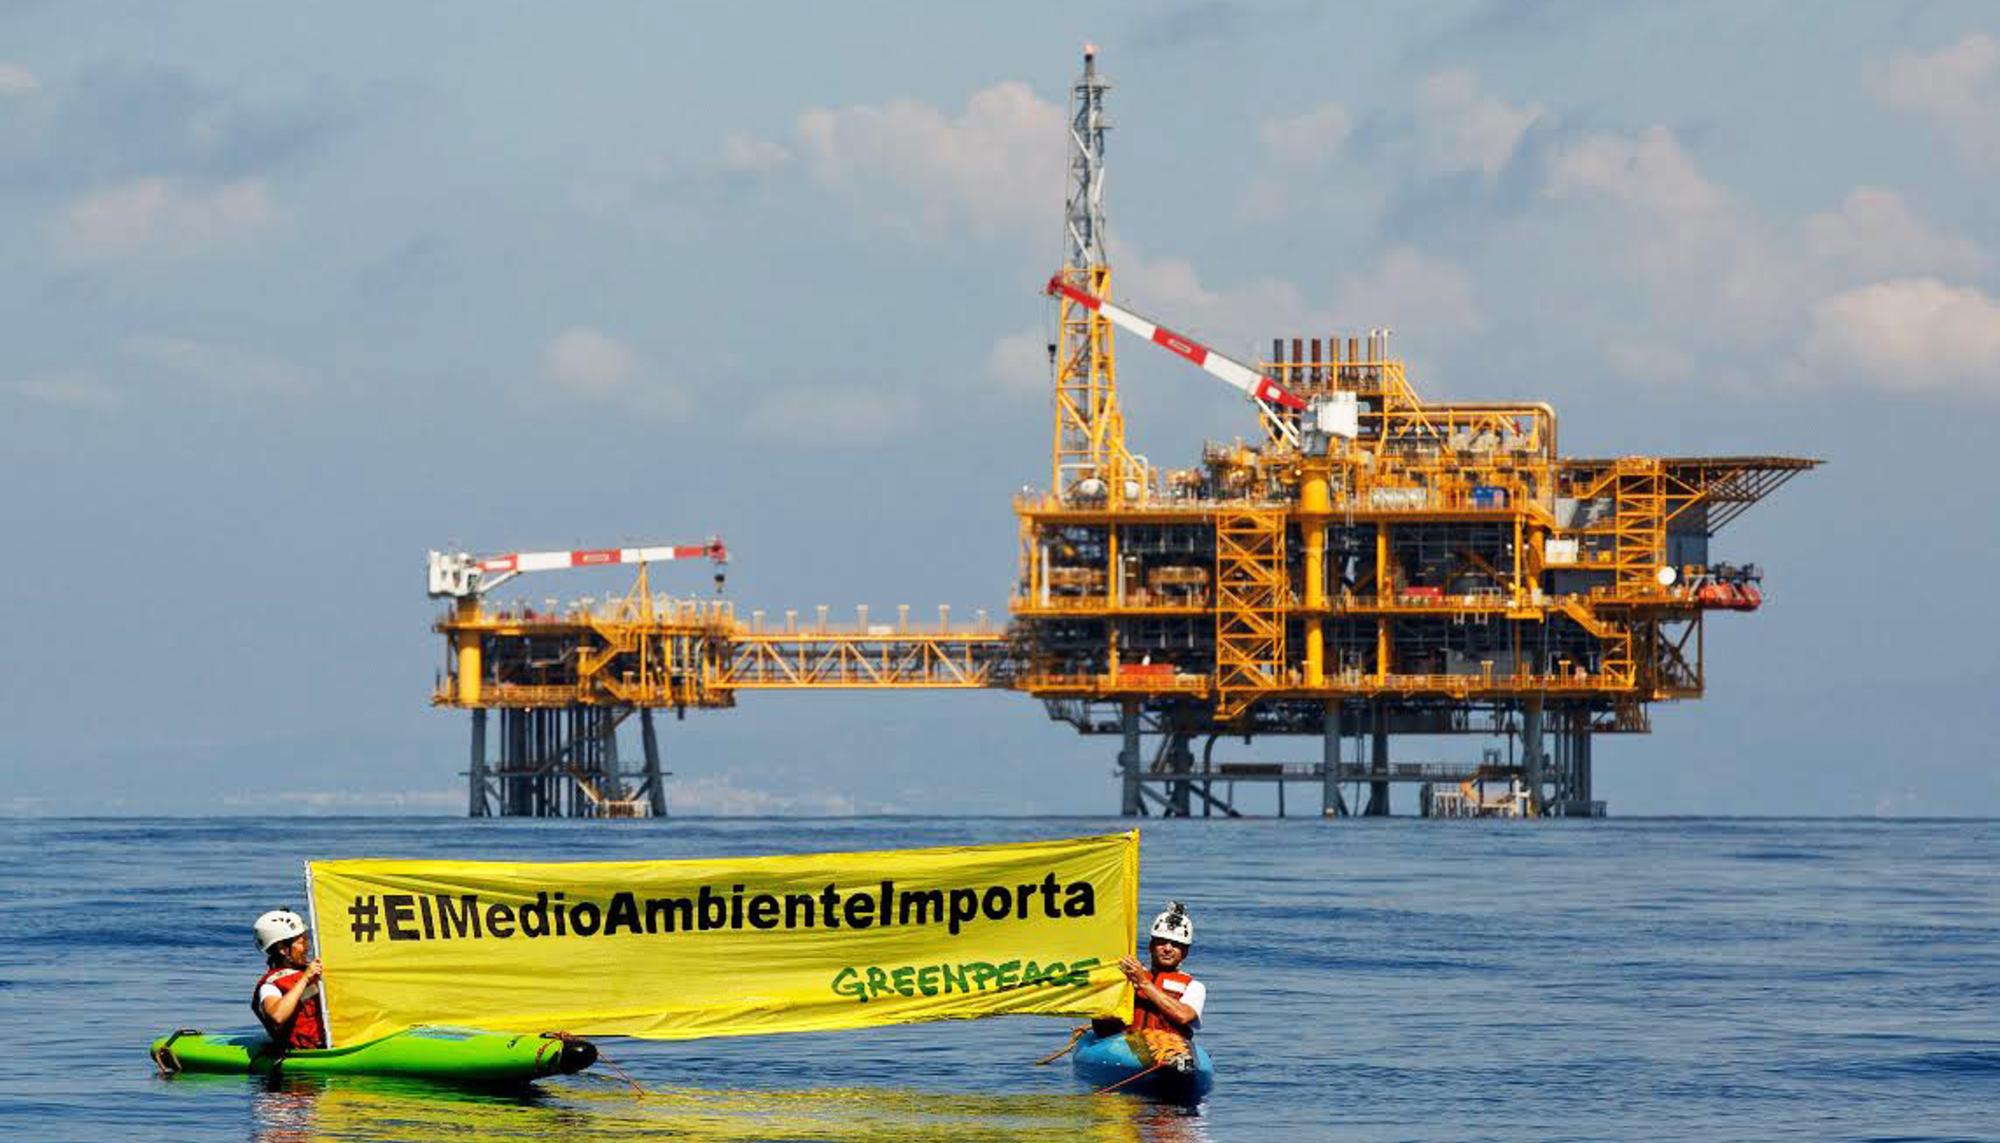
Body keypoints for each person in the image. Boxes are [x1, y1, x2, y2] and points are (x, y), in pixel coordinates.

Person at [1098, 900, 1206, 1038]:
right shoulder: (1129, 974)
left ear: (1184, 953)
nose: (1167, 949)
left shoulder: (1194, 987)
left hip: (1168, 1049)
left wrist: (1143, 982)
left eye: (1175, 945)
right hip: (1126, 1043)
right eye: (1161, 942)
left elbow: (1183, 1016)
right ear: (1151, 947)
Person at [252, 909, 326, 1051]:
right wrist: (305, 979)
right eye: (301, 941)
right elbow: (277, 1016)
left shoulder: (311, 969)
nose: (307, 947)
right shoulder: (270, 986)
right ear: (283, 949)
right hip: (306, 1051)